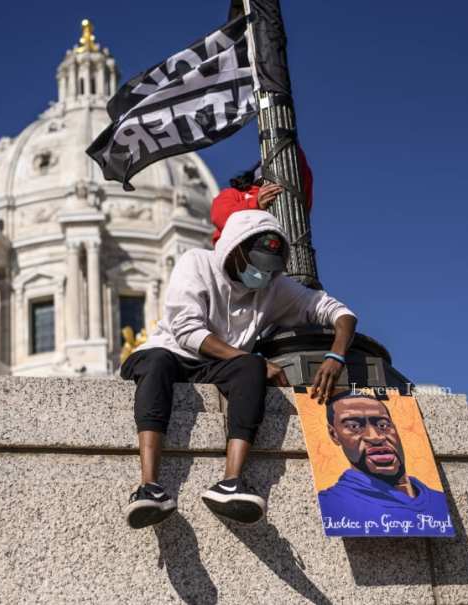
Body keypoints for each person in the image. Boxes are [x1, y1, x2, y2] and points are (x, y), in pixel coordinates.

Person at [120, 210, 356, 529]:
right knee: (160, 363)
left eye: (271, 269)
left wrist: (336, 356)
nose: (262, 274)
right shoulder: (196, 262)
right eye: (257, 264)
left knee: (249, 368)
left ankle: (230, 482)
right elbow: (187, 330)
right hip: (168, 352)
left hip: (216, 365)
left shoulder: (273, 285)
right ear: (235, 248)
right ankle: (149, 485)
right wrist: (252, 360)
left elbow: (337, 312)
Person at [317, 391, 449, 534]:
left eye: (383, 425)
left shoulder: (437, 500)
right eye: (354, 426)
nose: (375, 437)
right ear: (333, 434)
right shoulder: (333, 503)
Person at [210, 145, 313, 245]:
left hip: (285, 251)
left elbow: (302, 172)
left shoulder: (291, 197)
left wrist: (289, 141)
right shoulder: (234, 193)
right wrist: (255, 204)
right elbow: (222, 218)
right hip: (241, 255)